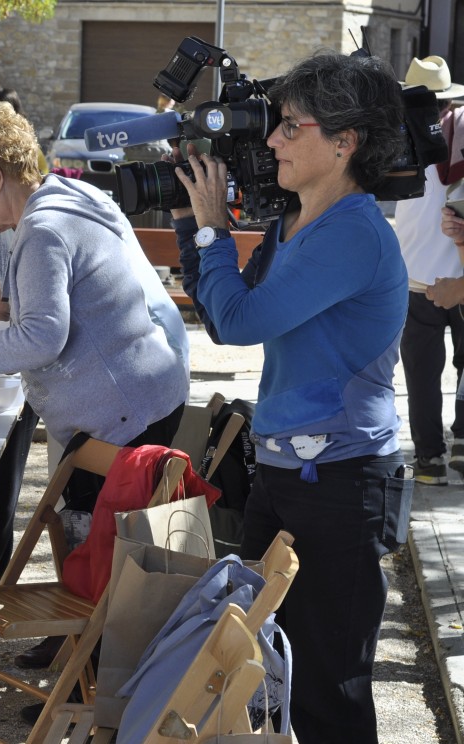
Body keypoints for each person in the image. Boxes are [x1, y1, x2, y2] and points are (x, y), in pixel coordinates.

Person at [169, 52, 411, 743]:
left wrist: (214, 228)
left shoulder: (354, 234)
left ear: (344, 142)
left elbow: (243, 323)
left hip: (336, 482)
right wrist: (194, 223)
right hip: (284, 472)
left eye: (290, 127)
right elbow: (224, 315)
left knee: (327, 689)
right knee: (265, 670)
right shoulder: (296, 222)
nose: (272, 140)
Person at [0, 102, 187, 450]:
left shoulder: (42, 231)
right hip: (144, 398)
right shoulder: (67, 196)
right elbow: (58, 319)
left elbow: (41, 340)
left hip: (124, 417)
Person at [394, 56, 464, 485]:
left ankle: (428, 461)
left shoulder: (403, 143)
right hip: (458, 277)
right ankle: (460, 452)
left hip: (417, 276)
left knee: (421, 374)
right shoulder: (460, 138)